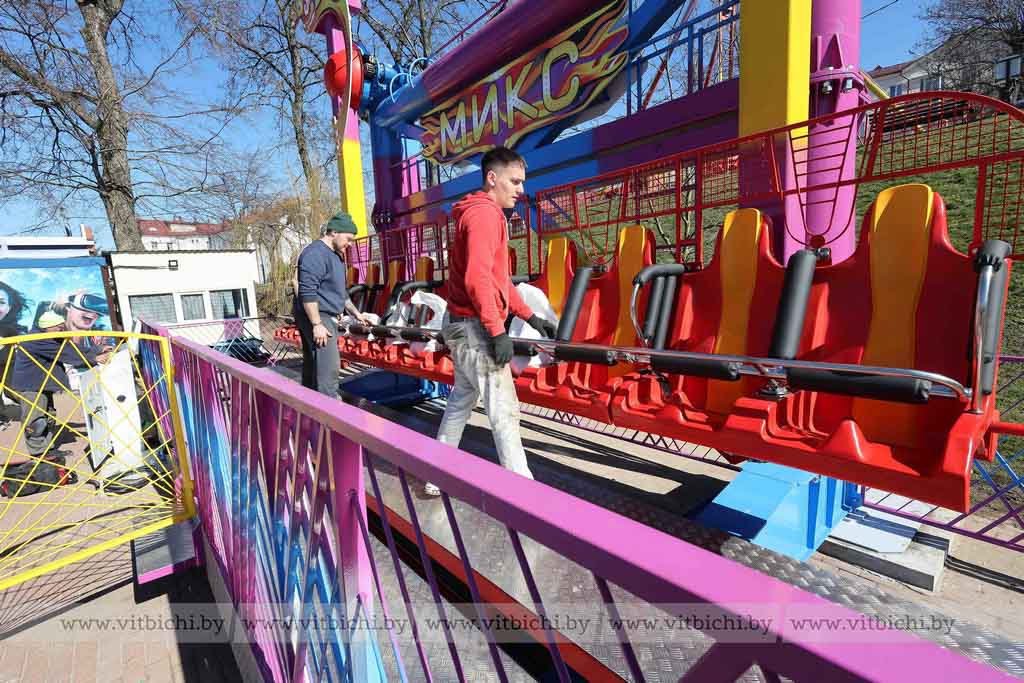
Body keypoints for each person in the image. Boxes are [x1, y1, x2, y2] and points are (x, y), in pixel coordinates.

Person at [430, 146, 556, 496]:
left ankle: (434, 475)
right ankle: (522, 496)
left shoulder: (480, 213)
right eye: (514, 181)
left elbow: (499, 280)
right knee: (504, 410)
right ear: (492, 178)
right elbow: (477, 280)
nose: (521, 189)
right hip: (474, 329)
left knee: (461, 399)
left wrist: (531, 317)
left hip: (460, 323)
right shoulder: (485, 216)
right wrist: (498, 332)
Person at [1, 312, 112, 497]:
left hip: (41, 384)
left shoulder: (50, 337)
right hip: (31, 386)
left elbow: (70, 348)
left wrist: (97, 350)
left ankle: (48, 450)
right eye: (59, 327)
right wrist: (94, 358)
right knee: (35, 421)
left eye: (62, 327)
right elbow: (65, 354)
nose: (62, 330)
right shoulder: (37, 340)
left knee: (48, 417)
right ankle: (39, 455)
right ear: (47, 327)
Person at [294, 211, 372, 396]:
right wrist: (316, 324)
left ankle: (310, 403)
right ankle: (329, 405)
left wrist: (356, 313)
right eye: (348, 239)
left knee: (315, 364)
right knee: (329, 367)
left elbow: (340, 292)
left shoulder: (336, 255)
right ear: (334, 232)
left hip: (323, 315)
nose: (350, 244)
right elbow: (307, 292)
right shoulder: (315, 254)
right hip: (318, 315)